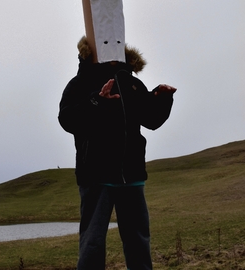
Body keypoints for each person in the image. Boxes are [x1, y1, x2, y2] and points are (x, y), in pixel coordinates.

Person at [58, 36, 177, 270]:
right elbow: (67, 119)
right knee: (92, 242)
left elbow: (151, 119)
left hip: (131, 175)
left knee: (138, 241)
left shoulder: (131, 83)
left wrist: (161, 99)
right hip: (96, 175)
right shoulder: (80, 83)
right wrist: (96, 102)